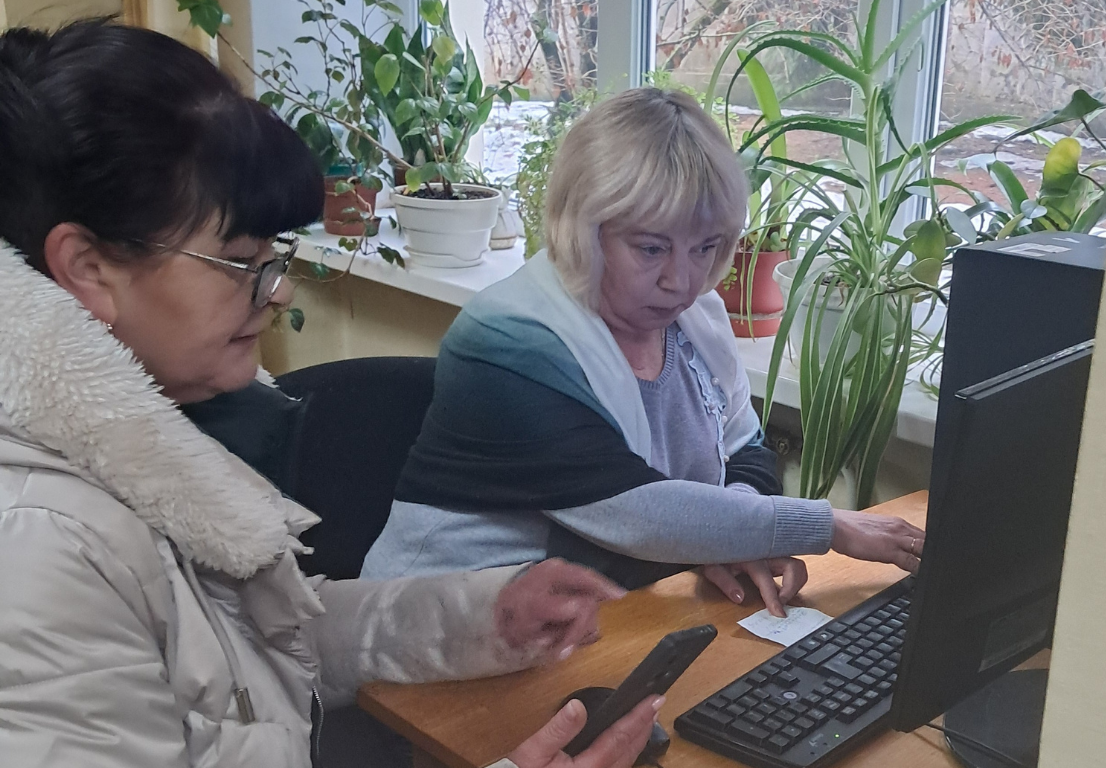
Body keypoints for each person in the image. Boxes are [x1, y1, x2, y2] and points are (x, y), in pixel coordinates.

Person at [0, 21, 661, 768]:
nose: (278, 292)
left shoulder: (138, 438)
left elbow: (251, 651)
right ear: (88, 268)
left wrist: (484, 617)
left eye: (275, 255)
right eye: (240, 260)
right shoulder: (37, 547)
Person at [362, 88, 926, 614]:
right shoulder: (507, 341)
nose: (682, 281)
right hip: (442, 630)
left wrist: (730, 540)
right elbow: (634, 513)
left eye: (705, 247)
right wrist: (829, 525)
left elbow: (746, 449)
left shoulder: (698, 318)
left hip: (592, 616)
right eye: (652, 248)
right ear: (583, 229)